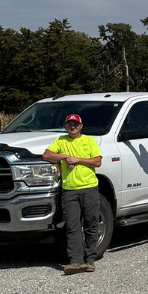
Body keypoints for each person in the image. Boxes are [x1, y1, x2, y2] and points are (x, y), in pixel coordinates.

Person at [43, 114, 103, 275]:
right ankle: (76, 261)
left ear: (81, 126)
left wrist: (77, 160)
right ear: (65, 126)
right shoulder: (61, 140)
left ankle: (90, 259)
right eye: (69, 124)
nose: (72, 126)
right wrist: (64, 157)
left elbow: (97, 162)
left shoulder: (89, 141)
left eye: (75, 124)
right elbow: (46, 155)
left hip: (89, 187)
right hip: (69, 189)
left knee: (91, 223)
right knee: (72, 226)